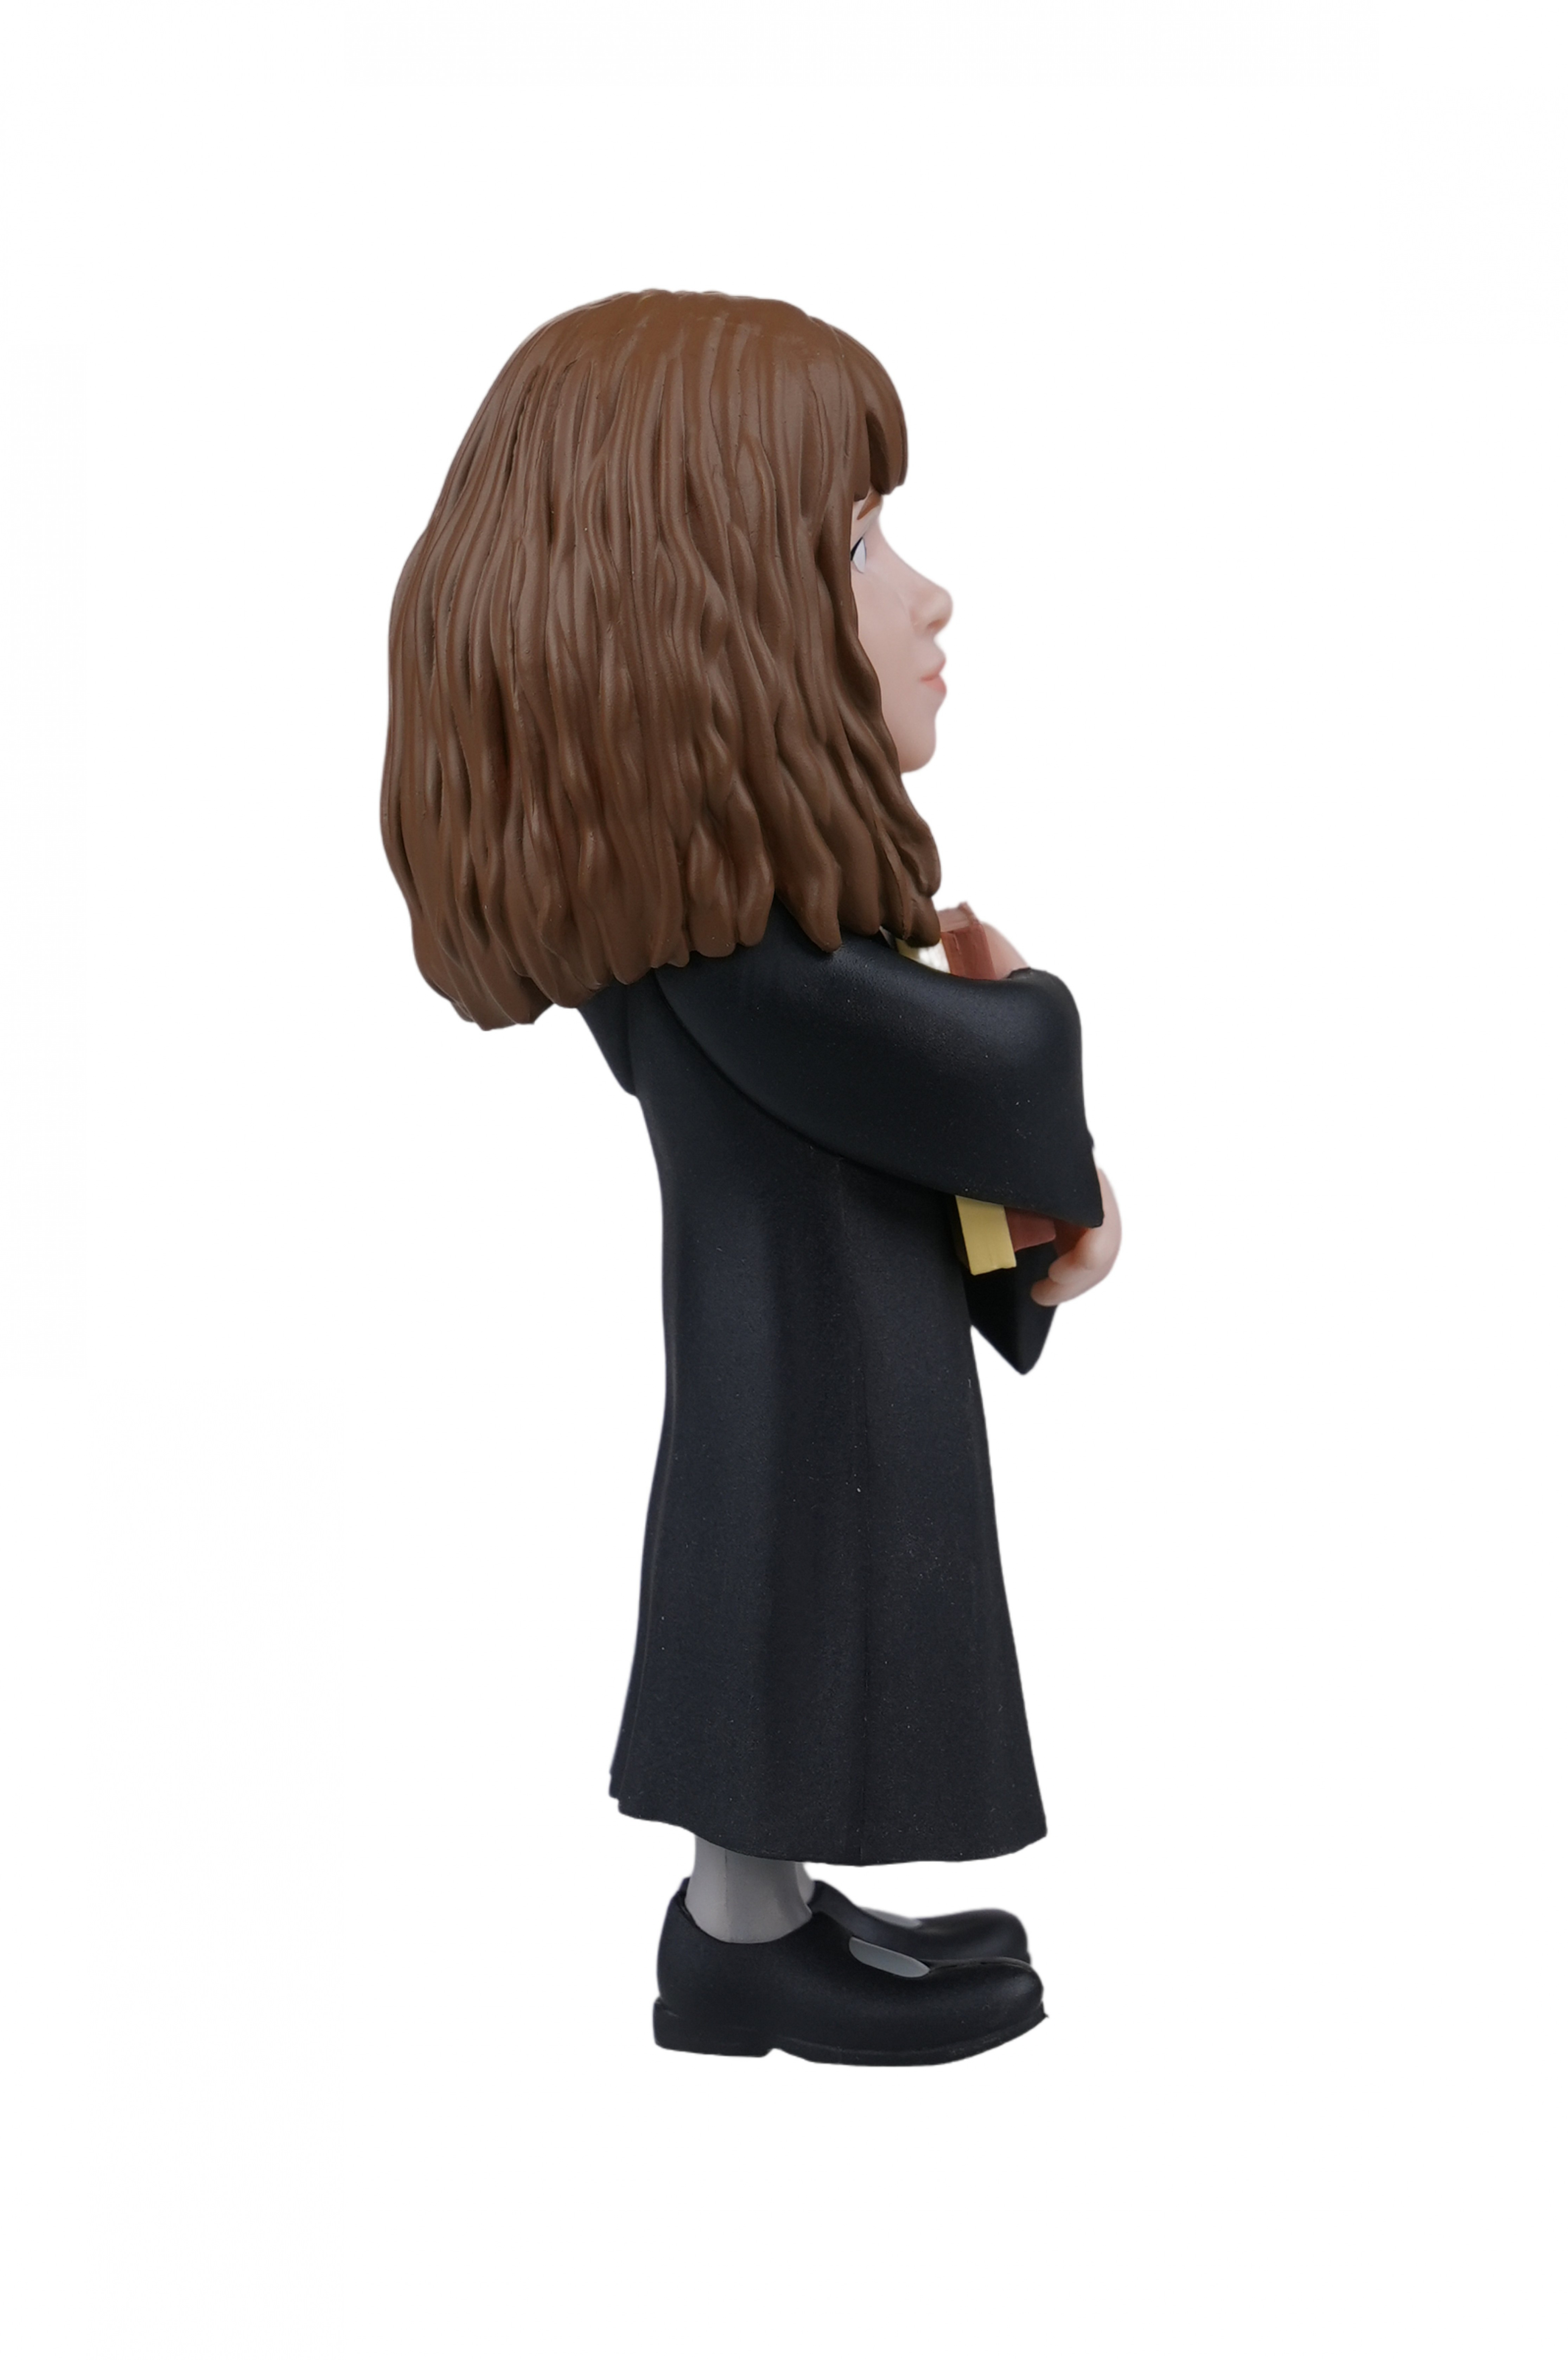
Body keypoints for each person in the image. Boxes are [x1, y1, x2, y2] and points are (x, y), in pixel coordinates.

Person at [381, 290, 1121, 2066]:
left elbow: (897, 1097)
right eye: (856, 545)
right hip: (803, 1364)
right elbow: (944, 1063)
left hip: (809, 1332)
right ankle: (734, 1942)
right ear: (702, 611)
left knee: (798, 1605)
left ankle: (763, 1914)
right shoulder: (732, 957)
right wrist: (1026, 1016)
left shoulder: (727, 933)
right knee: (785, 1603)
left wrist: (1014, 1192)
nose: (927, 597)